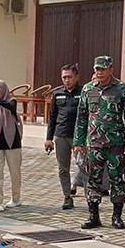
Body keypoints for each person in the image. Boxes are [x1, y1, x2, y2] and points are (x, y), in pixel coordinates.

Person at [73, 55, 125, 230]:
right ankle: (93, 216)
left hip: (116, 144)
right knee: (93, 180)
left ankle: (117, 216)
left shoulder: (122, 89)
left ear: (111, 70)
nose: (99, 72)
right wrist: (78, 142)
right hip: (93, 144)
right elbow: (82, 117)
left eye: (102, 69)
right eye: (96, 69)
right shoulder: (87, 89)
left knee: (117, 180)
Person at [44, 64, 83, 209]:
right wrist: (49, 138)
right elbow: (52, 117)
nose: (66, 80)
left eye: (69, 77)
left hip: (79, 137)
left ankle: (91, 197)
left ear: (77, 77)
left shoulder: (84, 92)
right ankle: (67, 197)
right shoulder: (57, 93)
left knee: (84, 166)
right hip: (61, 136)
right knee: (63, 168)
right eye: (64, 77)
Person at [0, 80, 23, 212]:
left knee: (15, 172)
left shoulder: (11, 101)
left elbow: (9, 107)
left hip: (13, 142)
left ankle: (16, 198)